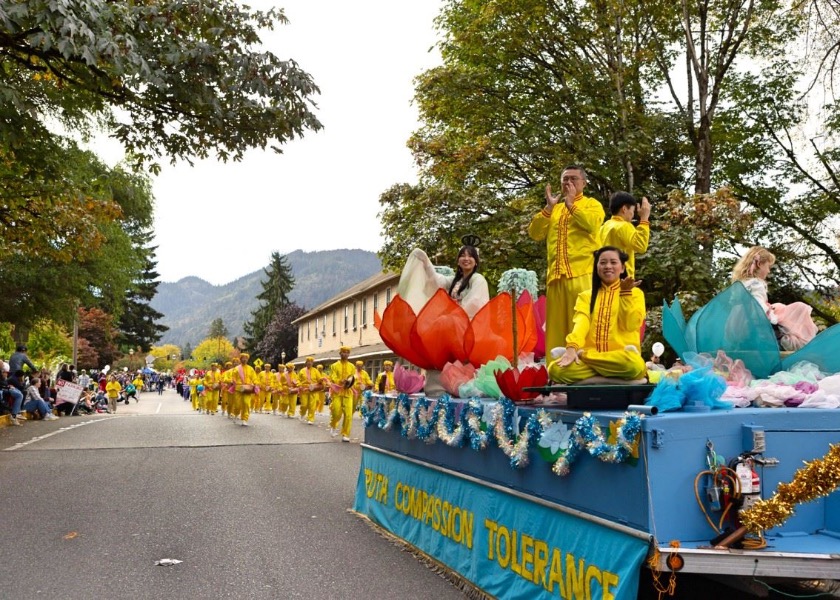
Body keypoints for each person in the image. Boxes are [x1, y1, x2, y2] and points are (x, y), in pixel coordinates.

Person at [529, 165, 605, 354]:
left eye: (573, 179)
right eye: (565, 179)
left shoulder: (591, 204)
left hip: (582, 274)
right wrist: (548, 207)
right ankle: (556, 373)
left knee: (582, 325)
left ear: (584, 183)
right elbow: (535, 233)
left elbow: (592, 225)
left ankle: (585, 371)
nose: (568, 183)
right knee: (555, 331)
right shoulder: (555, 209)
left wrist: (571, 205)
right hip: (555, 277)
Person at [548, 247, 647, 384]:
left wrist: (625, 294)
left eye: (613, 262)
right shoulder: (586, 296)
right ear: (597, 267)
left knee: (634, 366)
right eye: (603, 263)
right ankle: (608, 374)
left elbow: (630, 325)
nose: (608, 266)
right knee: (555, 370)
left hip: (620, 357)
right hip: (605, 362)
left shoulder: (635, 293)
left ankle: (585, 359)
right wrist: (571, 348)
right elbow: (581, 324)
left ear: (622, 268)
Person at [731, 246, 818, 351]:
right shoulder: (756, 284)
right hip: (755, 327)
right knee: (800, 307)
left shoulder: (742, 284)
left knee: (779, 307)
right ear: (759, 264)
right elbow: (759, 309)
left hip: (739, 324)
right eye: (768, 267)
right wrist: (773, 319)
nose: (768, 271)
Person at [397, 242, 490, 319]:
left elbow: (475, 302)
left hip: (468, 322)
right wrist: (426, 262)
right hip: (453, 321)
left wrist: (453, 315)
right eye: (463, 256)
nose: (466, 259)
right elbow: (438, 283)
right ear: (458, 261)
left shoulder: (478, 279)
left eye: (470, 256)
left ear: (476, 261)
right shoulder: (455, 280)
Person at [599, 191, 650, 279]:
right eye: (632, 211)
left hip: (604, 276)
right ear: (624, 209)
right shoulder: (624, 226)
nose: (633, 215)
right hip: (622, 278)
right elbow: (641, 246)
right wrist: (644, 219)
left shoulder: (604, 226)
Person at [329, 346, 356, 442]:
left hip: (348, 392)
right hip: (337, 392)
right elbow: (332, 377)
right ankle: (333, 425)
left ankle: (346, 433)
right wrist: (340, 381)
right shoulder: (334, 366)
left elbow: (353, 379)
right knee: (336, 412)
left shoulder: (352, 366)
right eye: (343, 352)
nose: (345, 354)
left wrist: (350, 382)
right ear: (340, 353)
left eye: (347, 352)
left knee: (348, 415)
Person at [231, 353, 258, 426]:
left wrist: (255, 383)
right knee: (237, 405)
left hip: (247, 388)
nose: (244, 359)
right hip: (238, 389)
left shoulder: (251, 368)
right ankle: (236, 414)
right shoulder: (236, 369)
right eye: (243, 358)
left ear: (248, 359)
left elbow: (254, 377)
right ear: (240, 359)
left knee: (246, 403)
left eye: (246, 358)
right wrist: (234, 381)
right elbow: (233, 377)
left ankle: (244, 419)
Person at [297, 357, 321, 424]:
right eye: (308, 361)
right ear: (306, 362)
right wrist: (299, 385)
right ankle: (302, 413)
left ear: (312, 363)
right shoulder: (302, 371)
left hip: (312, 389)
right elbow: (298, 379)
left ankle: (310, 418)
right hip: (304, 389)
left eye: (311, 362)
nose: (309, 363)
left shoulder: (316, 371)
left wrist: (321, 381)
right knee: (304, 405)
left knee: (312, 405)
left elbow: (319, 379)